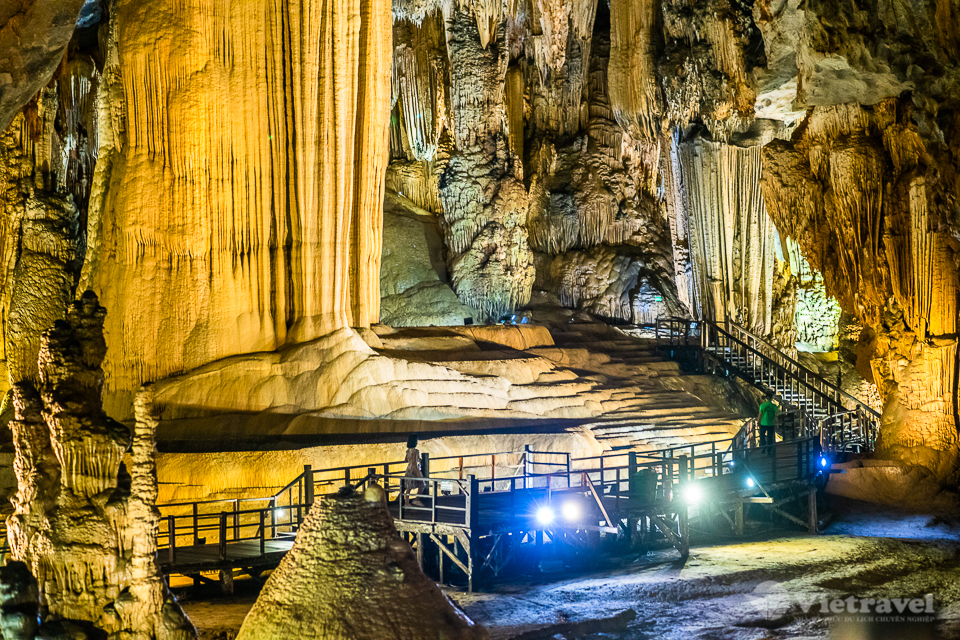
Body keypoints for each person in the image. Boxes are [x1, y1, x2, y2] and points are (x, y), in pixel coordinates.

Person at [403, 434, 425, 505]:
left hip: (408, 469)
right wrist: (418, 474)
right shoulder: (415, 451)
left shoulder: (408, 451)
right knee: (422, 484)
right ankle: (417, 499)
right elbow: (414, 463)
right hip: (414, 470)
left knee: (409, 488)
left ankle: (406, 503)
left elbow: (405, 460)